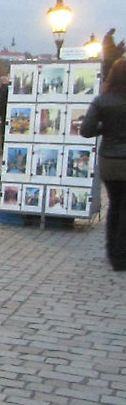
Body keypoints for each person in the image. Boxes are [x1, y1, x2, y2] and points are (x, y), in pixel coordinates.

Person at [80, 57, 126, 271]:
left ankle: (113, 252)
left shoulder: (102, 100)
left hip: (110, 160)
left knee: (115, 205)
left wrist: (105, 128)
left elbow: (86, 130)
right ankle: (122, 253)